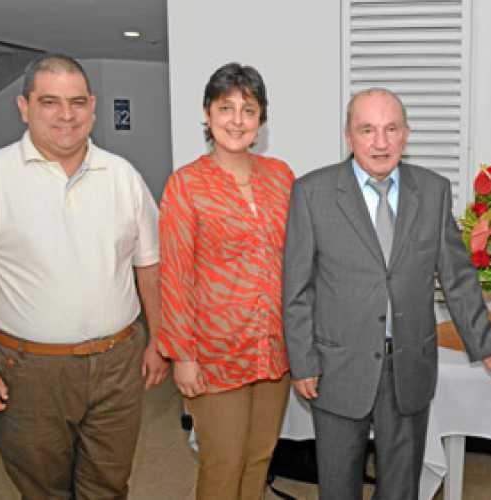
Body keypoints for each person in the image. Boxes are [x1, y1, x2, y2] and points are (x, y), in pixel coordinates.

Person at [0, 54, 169, 499]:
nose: (66, 115)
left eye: (77, 102)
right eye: (50, 102)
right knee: (43, 491)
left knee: (108, 486)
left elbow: (150, 265)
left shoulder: (122, 176)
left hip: (118, 365)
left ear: (93, 106)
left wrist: (159, 339)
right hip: (28, 372)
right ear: (24, 107)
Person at [283, 87, 491, 500]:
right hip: (337, 366)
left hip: (408, 365)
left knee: (402, 486)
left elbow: (456, 276)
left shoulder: (434, 191)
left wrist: (484, 340)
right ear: (349, 137)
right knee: (337, 485)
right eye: (367, 129)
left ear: (406, 135)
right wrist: (302, 361)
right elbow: (297, 288)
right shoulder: (311, 193)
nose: (380, 142)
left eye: (391, 129)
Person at [157, 62, 295, 500]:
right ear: (207, 113)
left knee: (258, 459)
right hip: (214, 353)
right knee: (222, 464)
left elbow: (299, 259)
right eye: (226, 107)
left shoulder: (281, 177)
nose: (237, 120)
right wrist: (182, 355)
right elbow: (175, 274)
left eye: (248, 110)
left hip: (273, 347)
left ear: (261, 120)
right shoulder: (186, 185)